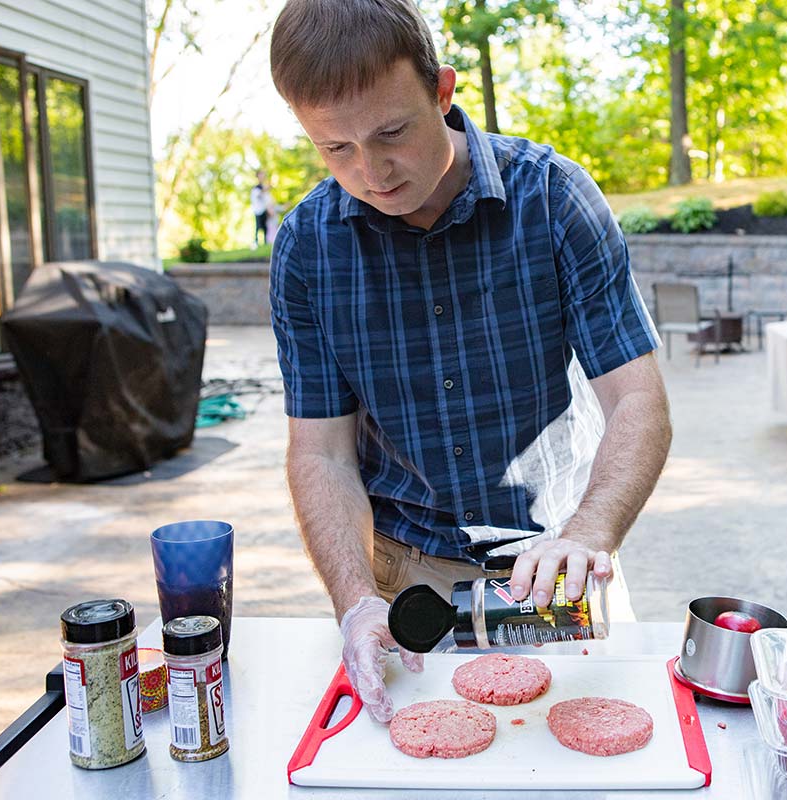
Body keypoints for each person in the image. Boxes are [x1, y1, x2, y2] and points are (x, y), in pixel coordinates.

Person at [267, 0, 671, 724]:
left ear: (442, 91)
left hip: (557, 557)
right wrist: (353, 599)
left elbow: (638, 400)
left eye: (392, 132)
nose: (372, 170)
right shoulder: (306, 247)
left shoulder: (554, 198)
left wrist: (588, 534)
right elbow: (321, 453)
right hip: (400, 583)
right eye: (336, 148)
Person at [251, 169, 271, 247]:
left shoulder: (263, 187)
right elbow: (258, 195)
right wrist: (266, 189)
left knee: (265, 227)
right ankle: (256, 242)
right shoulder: (256, 188)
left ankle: (265, 242)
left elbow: (267, 199)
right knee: (258, 227)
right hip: (258, 210)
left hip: (264, 210)